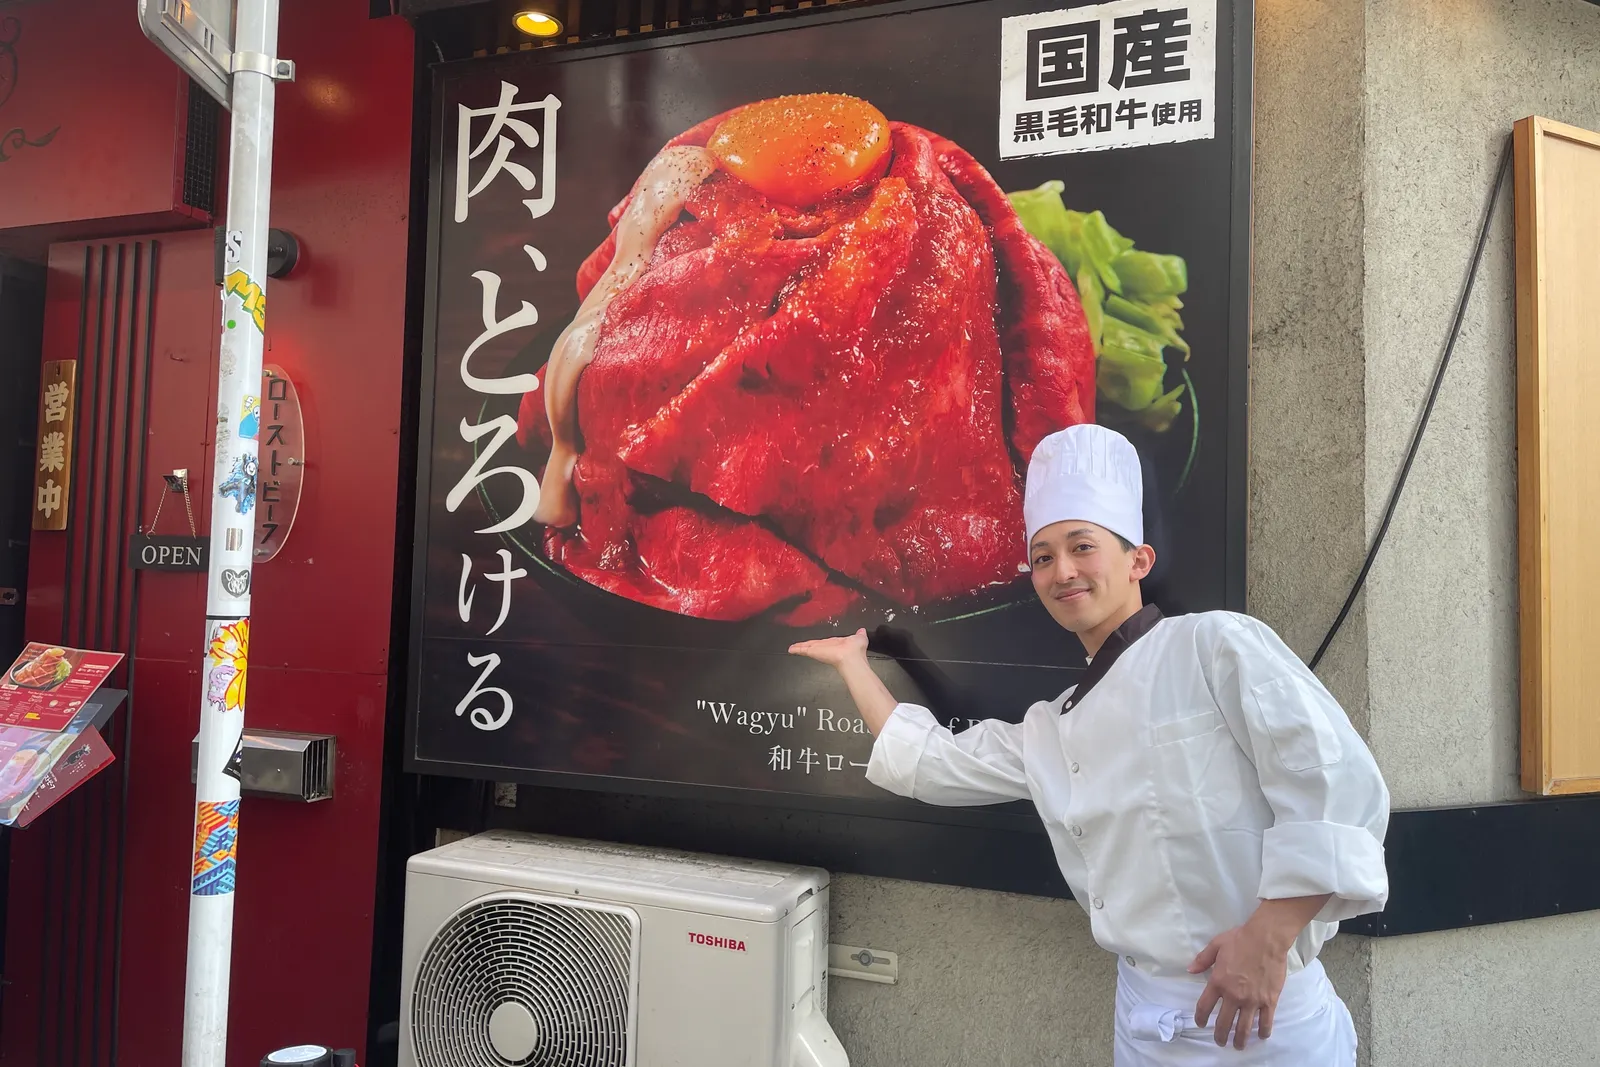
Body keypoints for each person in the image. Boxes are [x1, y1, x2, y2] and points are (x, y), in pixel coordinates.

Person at [789, 424, 1389, 1066]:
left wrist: (1270, 936)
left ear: (1138, 561)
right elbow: (935, 762)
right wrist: (855, 665)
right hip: (1143, 1020)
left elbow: (1336, 780)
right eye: (1043, 557)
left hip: (1261, 1019)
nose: (1062, 571)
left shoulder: (1214, 646)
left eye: (1082, 547)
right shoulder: (1054, 725)